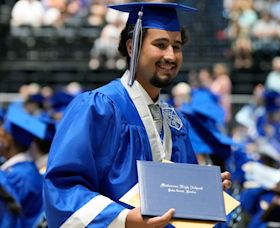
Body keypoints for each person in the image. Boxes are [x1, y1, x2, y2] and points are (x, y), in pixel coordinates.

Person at [43, 2, 231, 228]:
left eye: (177, 46)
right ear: (132, 47)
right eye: (160, 45)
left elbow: (181, 208)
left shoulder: (175, 124)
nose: (170, 56)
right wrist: (124, 219)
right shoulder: (98, 108)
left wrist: (202, 192)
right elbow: (62, 188)